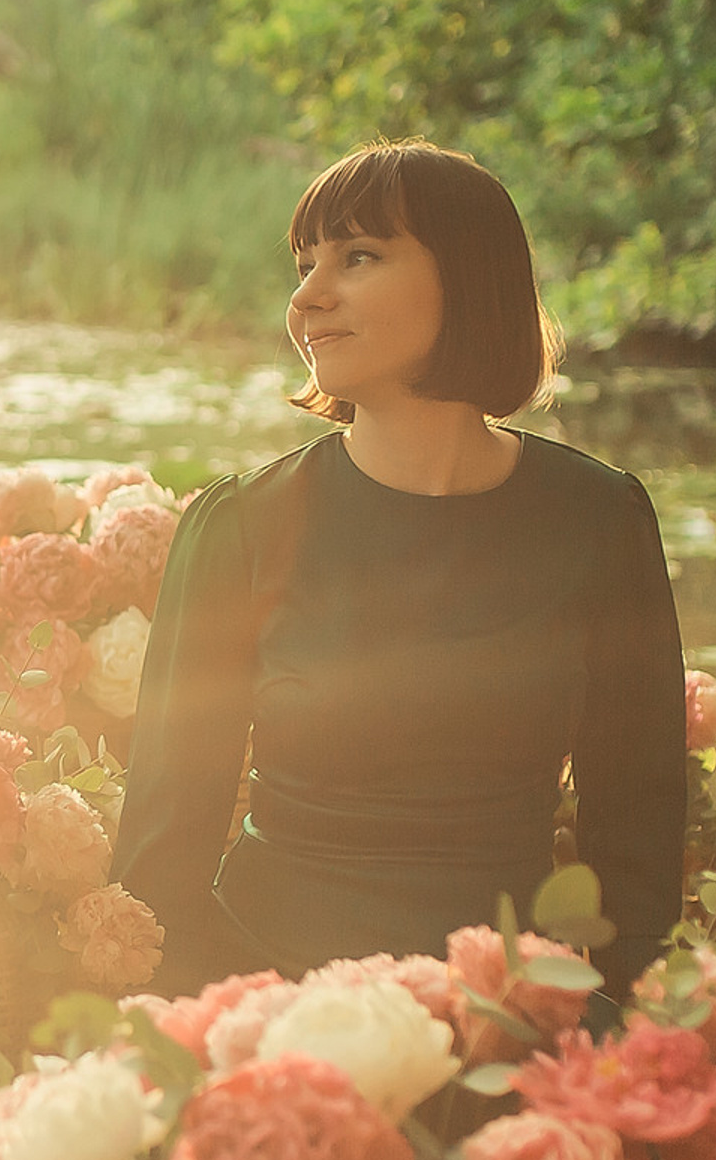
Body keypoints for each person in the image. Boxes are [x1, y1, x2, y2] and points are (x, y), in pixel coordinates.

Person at [112, 139, 685, 998]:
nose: (308, 298)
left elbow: (635, 843)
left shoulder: (600, 521)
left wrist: (613, 1047)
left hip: (515, 1011)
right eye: (306, 265)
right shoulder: (240, 528)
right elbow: (161, 864)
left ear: (469, 277)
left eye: (359, 257)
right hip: (269, 1005)